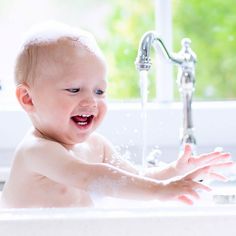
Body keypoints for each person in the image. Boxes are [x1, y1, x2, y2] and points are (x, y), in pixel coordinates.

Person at [1, 22, 233, 208]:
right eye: (74, 89)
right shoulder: (36, 151)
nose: (91, 101)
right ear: (28, 99)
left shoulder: (96, 146)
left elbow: (135, 178)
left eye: (100, 91)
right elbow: (91, 177)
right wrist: (162, 191)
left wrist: (175, 171)